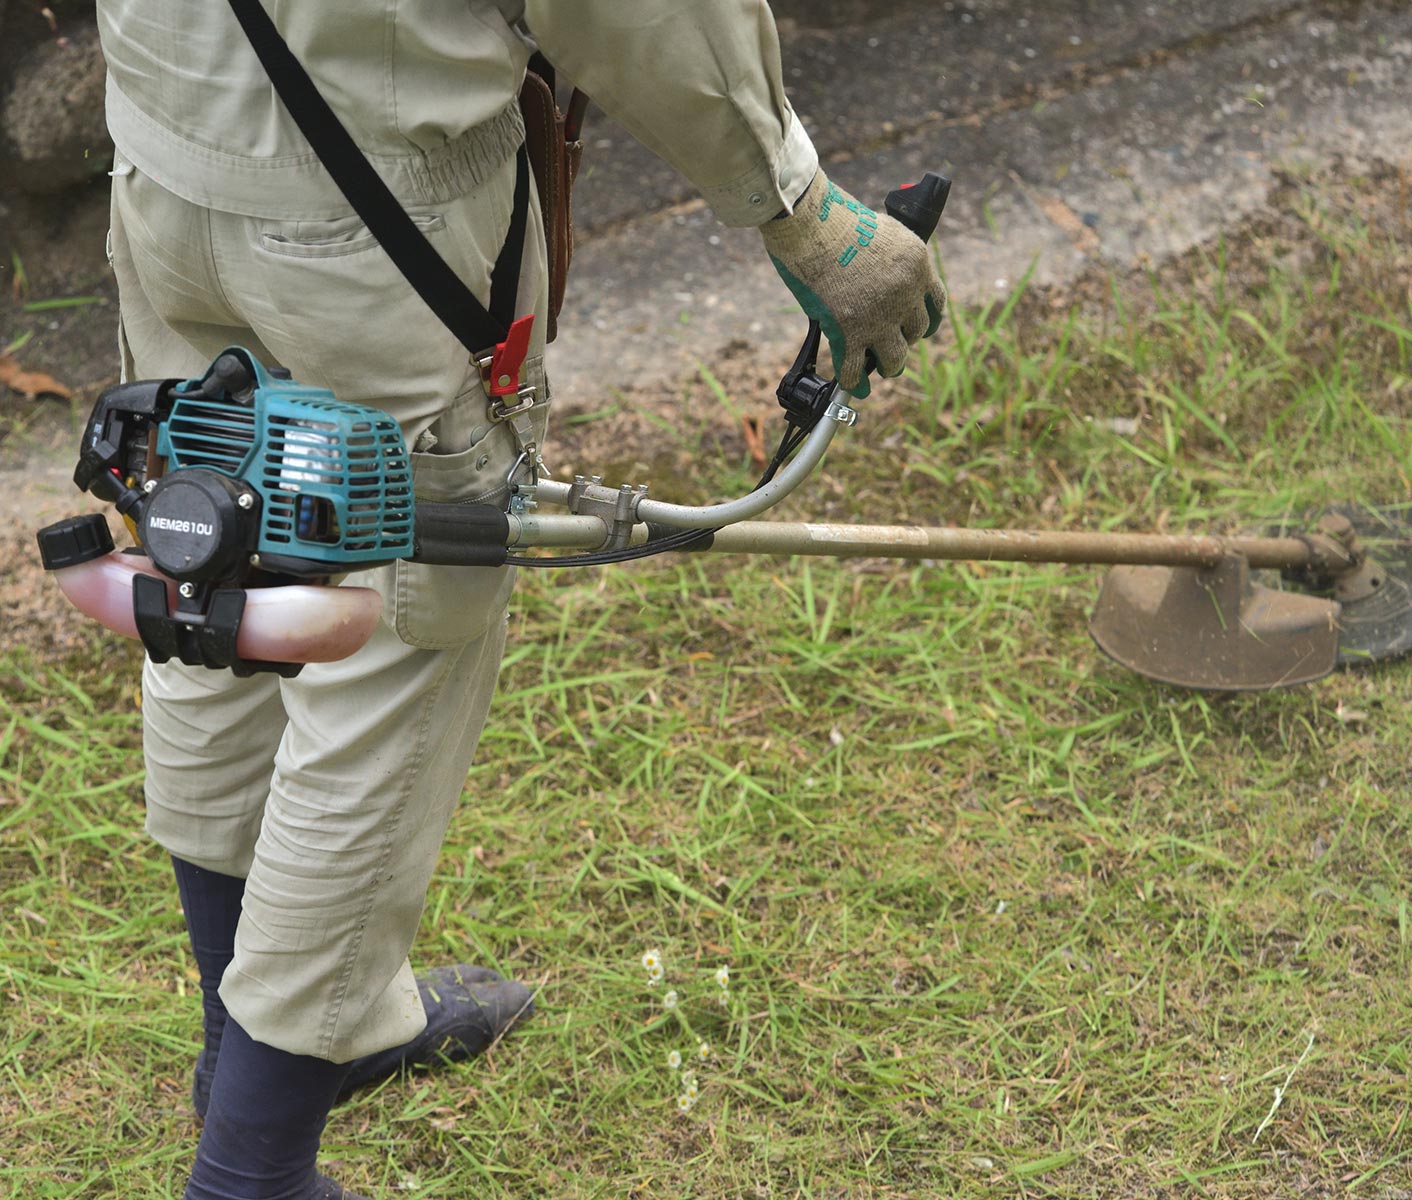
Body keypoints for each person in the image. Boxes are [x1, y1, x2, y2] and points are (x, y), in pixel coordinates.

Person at [95, 2, 946, 1195]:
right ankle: (253, 1169)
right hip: (368, 216)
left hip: (166, 158)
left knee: (218, 589)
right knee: (388, 645)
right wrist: (799, 206)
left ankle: (258, 1056)